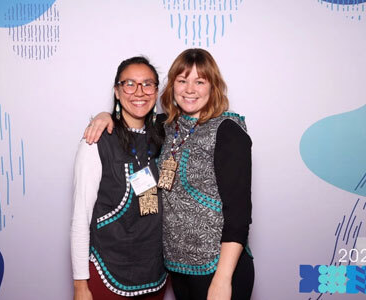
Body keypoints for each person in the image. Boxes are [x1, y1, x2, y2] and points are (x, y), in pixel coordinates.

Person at [85, 48, 254, 300]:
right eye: (182, 80)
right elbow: (134, 115)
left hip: (217, 270)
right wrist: (104, 116)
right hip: (177, 270)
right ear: (172, 86)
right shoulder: (165, 128)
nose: (190, 89)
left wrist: (222, 279)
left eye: (200, 81)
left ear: (213, 87)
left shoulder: (228, 132)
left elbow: (239, 216)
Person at [71, 56, 167, 300]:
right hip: (108, 270)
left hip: (155, 273)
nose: (139, 92)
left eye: (147, 84)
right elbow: (81, 217)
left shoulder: (165, 134)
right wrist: (80, 286)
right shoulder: (96, 140)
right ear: (117, 90)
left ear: (156, 91)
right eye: (130, 84)